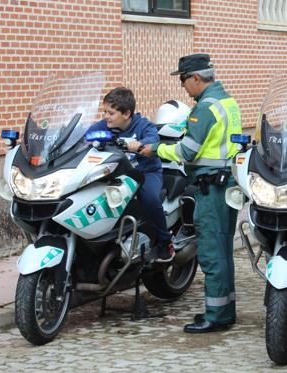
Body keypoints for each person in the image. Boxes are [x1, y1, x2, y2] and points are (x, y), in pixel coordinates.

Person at [135, 53, 242, 333]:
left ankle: (216, 317)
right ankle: (225, 309)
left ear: (196, 78)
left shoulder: (205, 108)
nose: (183, 86)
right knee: (223, 250)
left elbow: (187, 151)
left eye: (183, 80)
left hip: (211, 188)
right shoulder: (226, 102)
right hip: (227, 185)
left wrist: (154, 149)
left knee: (210, 252)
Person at [87, 87, 173, 262]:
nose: (106, 116)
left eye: (111, 113)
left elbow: (153, 139)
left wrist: (140, 144)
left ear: (126, 114)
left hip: (145, 172)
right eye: (105, 112)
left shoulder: (143, 125)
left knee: (150, 199)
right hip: (116, 174)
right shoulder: (104, 126)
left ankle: (165, 241)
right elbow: (85, 135)